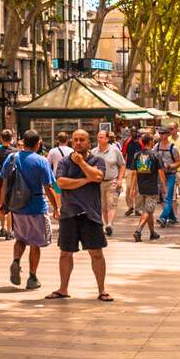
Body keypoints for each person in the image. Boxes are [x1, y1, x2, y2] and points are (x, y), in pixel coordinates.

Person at [52, 128, 113, 301]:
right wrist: (86, 179)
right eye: (75, 140)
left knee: (96, 253)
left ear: (89, 143)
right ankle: (63, 289)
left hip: (91, 214)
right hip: (69, 214)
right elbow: (62, 183)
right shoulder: (64, 162)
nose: (78, 143)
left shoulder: (97, 160)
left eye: (82, 140)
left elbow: (99, 176)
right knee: (65, 253)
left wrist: (81, 164)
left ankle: (102, 290)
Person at [0, 131, 55, 291]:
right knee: (35, 244)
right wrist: (56, 207)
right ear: (38, 144)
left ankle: (16, 261)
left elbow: (4, 183)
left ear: (23, 142)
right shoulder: (41, 161)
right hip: (37, 206)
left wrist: (2, 204)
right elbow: (48, 187)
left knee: (20, 239)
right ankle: (32, 277)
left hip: (17, 207)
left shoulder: (12, 158)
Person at [90, 128, 125, 235]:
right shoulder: (94, 152)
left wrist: (120, 179)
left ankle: (109, 224)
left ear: (107, 139)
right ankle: (106, 225)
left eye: (101, 137)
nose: (99, 139)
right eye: (98, 137)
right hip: (98, 183)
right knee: (103, 206)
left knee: (111, 204)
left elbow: (122, 165)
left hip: (112, 181)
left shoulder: (115, 150)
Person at [131, 135, 164, 240]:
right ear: (150, 142)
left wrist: (132, 188)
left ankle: (152, 233)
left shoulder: (137, 155)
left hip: (141, 187)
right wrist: (164, 186)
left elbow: (134, 173)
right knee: (148, 210)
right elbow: (161, 172)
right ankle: (138, 230)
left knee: (149, 210)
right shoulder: (156, 155)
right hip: (152, 187)